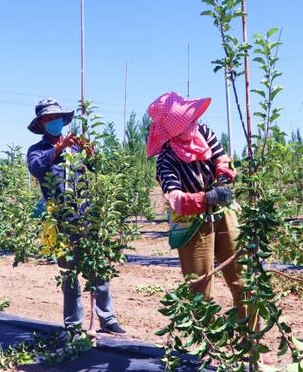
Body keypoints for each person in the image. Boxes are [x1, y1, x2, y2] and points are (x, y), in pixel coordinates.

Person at [27, 98, 126, 335]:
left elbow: (98, 168)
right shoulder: (36, 150)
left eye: (57, 117)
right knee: (69, 273)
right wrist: (60, 148)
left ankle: (107, 318)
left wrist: (91, 152)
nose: (55, 121)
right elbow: (37, 168)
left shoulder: (76, 146)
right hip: (60, 221)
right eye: (49, 118)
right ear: (41, 122)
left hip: (87, 216)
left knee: (99, 269)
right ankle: (73, 324)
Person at [147, 91, 244, 317]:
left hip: (223, 214)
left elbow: (223, 159)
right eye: (187, 121)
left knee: (242, 280)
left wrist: (222, 179)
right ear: (174, 129)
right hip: (192, 224)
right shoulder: (166, 160)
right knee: (200, 288)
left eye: (193, 119)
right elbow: (175, 199)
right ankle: (209, 347)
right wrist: (207, 198)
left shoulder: (204, 133)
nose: (194, 123)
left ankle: (251, 342)